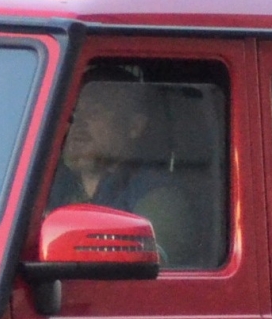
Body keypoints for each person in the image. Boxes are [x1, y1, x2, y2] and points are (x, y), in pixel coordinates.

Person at [48, 76, 202, 266]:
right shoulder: (46, 187)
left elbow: (138, 280)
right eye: (73, 114)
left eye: (94, 113)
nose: (78, 124)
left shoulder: (159, 199)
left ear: (134, 126)